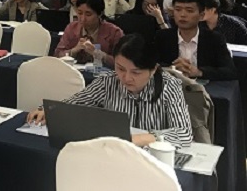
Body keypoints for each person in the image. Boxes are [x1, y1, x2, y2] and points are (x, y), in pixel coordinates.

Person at [30, 34, 192, 149]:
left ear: (153, 69)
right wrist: (48, 111)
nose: (126, 78)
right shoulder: (108, 82)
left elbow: (184, 133)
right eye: (120, 68)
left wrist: (136, 139)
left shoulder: (169, 86)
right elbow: (74, 103)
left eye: (136, 72)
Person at [155, 0, 237, 80]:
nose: (182, 15)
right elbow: (151, 64)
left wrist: (199, 72)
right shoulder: (162, 37)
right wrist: (171, 68)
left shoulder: (214, 38)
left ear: (201, 15)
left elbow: (230, 71)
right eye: (178, 10)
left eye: (189, 11)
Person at [55, 0, 123, 67]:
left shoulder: (114, 32)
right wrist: (73, 51)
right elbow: (57, 54)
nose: (83, 19)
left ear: (100, 14)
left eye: (88, 14)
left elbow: (122, 62)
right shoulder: (71, 28)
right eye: (79, 13)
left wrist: (99, 54)